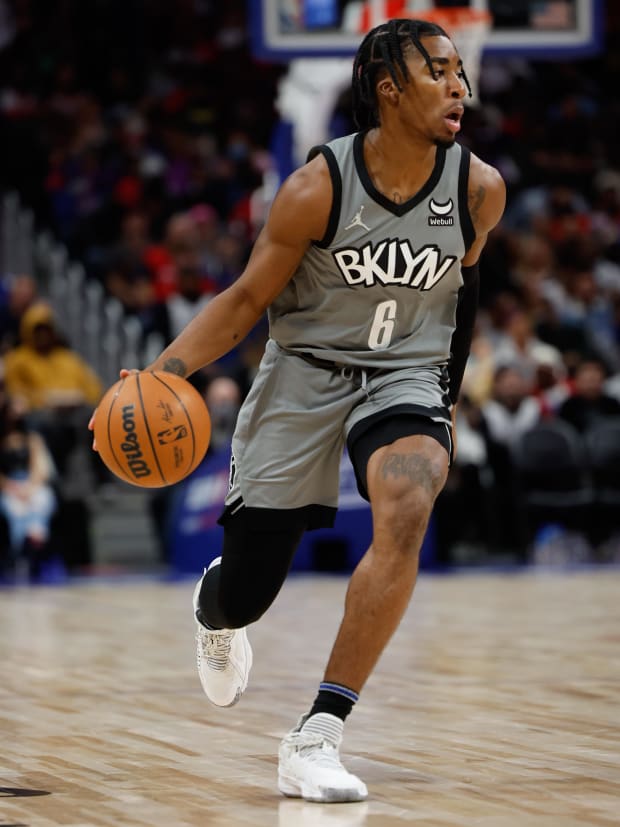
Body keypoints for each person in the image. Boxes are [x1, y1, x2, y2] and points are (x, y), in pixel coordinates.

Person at [91, 18, 505, 803]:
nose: (462, 86)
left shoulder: (479, 187)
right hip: (303, 375)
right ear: (389, 89)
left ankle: (318, 732)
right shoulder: (318, 187)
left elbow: (467, 289)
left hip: (405, 371)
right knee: (249, 591)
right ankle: (218, 608)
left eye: (461, 71)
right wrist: (160, 371)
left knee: (409, 504)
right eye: (440, 72)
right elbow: (247, 299)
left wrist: (443, 398)